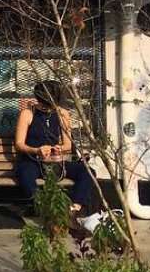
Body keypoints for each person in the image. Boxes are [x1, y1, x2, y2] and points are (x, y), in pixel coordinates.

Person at [13, 80, 96, 211]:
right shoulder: (27, 114)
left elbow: (68, 144)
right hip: (33, 160)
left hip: (55, 162)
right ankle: (43, 208)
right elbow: (19, 144)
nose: (50, 108)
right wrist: (36, 150)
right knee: (25, 174)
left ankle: (74, 207)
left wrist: (59, 148)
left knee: (88, 171)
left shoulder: (62, 114)